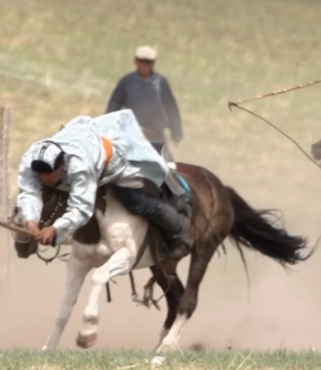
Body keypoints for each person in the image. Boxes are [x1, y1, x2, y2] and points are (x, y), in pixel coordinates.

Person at [15, 109, 191, 261]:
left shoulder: (80, 167)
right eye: (39, 174)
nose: (42, 178)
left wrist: (55, 229)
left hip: (112, 161)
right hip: (83, 137)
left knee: (136, 202)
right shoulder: (31, 159)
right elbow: (29, 192)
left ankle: (180, 230)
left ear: (61, 167)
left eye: (48, 174)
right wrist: (31, 221)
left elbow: (81, 209)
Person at [105, 45, 182, 156]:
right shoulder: (127, 82)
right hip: (132, 136)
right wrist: (109, 127)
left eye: (148, 61)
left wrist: (176, 131)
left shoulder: (160, 83)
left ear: (153, 63)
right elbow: (114, 104)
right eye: (141, 61)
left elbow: (170, 107)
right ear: (135, 61)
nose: (144, 64)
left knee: (168, 167)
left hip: (156, 137)